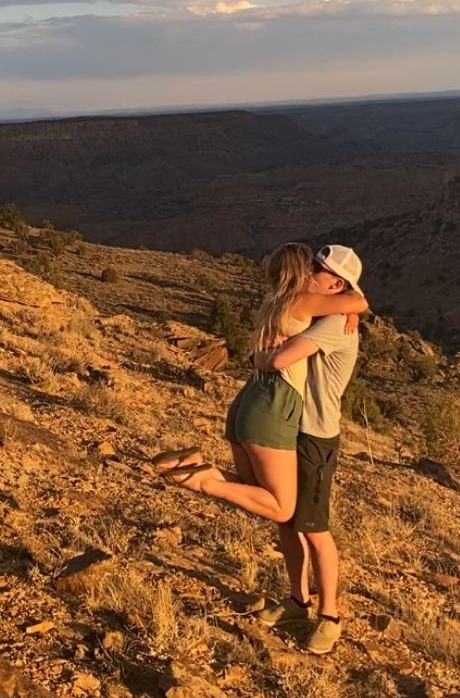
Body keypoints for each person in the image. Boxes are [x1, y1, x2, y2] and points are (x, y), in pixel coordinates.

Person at [153, 243, 367, 533]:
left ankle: (198, 466)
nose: (312, 272)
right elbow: (358, 302)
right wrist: (352, 310)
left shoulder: (273, 299)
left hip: (247, 400)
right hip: (274, 403)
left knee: (253, 490)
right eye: (311, 267)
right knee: (281, 507)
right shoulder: (304, 301)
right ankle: (205, 481)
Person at [252, 243, 366, 656]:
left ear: (334, 283)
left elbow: (281, 359)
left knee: (315, 530)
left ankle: (330, 616)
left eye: (316, 269)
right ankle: (298, 602)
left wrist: (263, 358)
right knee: (286, 520)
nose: (308, 271)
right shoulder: (325, 310)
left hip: (315, 435)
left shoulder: (334, 323)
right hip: (292, 427)